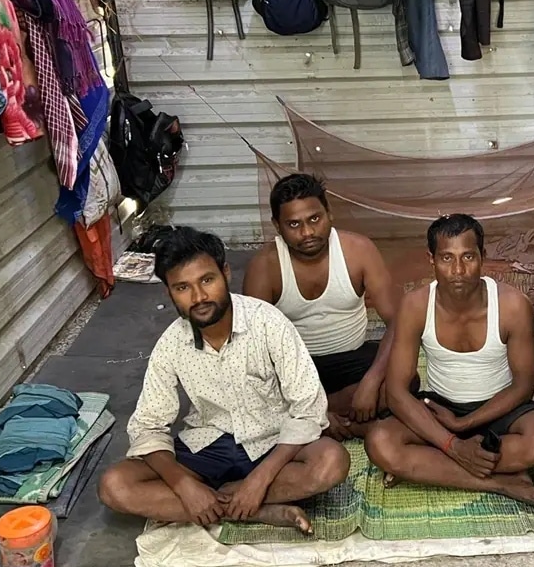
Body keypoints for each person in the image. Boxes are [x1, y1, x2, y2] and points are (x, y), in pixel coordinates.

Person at [98, 227, 350, 533]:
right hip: (207, 448)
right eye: (182, 288)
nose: (199, 297)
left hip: (272, 444)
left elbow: (309, 408)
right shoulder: (171, 344)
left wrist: (259, 480)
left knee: (330, 461)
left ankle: (232, 500)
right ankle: (253, 511)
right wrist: (184, 484)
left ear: (226, 274)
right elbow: (148, 425)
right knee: (115, 485)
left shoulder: (268, 322)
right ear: (169, 292)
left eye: (207, 280)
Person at [364, 214, 534, 514]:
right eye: (446, 258)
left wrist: (463, 426)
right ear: (431, 259)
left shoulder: (512, 305)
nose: (458, 270)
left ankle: (429, 467)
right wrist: (452, 444)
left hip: (500, 407)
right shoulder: (416, 305)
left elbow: (524, 386)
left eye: (468, 257)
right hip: (439, 409)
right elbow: (396, 391)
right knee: (379, 442)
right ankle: (501, 482)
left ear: (483, 257)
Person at [243, 173, 402, 441]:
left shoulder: (358, 250)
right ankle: (329, 418)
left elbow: (397, 322)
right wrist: (306, 403)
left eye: (314, 219)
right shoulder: (265, 267)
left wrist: (371, 383)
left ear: (329, 213)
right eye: (294, 224)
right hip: (295, 371)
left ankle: (308, 420)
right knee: (250, 394)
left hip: (353, 358)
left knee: (404, 381)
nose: (307, 233)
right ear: (277, 226)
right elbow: (253, 350)